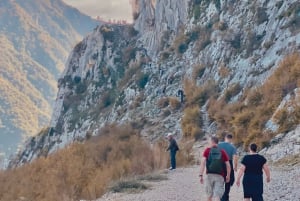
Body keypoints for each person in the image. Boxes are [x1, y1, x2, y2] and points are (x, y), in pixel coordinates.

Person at [199, 136, 231, 201]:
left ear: (212, 142)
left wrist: (201, 175)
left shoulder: (207, 150)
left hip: (209, 175)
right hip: (220, 176)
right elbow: (228, 165)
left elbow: (203, 163)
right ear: (217, 143)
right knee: (217, 196)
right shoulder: (222, 151)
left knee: (209, 195)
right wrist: (228, 175)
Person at [218, 134, 238, 201]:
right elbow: (235, 157)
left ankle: (221, 197)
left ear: (225, 138)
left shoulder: (219, 144)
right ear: (231, 139)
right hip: (229, 163)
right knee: (228, 181)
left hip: (220, 163)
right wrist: (235, 166)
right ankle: (226, 196)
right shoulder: (232, 147)